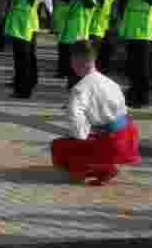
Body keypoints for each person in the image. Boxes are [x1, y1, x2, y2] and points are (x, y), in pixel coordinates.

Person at [51, 41, 140, 185]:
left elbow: (76, 123)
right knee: (90, 136)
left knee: (59, 147)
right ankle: (103, 166)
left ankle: (97, 168)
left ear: (75, 61)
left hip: (112, 143)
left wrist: (78, 138)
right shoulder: (110, 82)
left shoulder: (79, 89)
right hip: (129, 137)